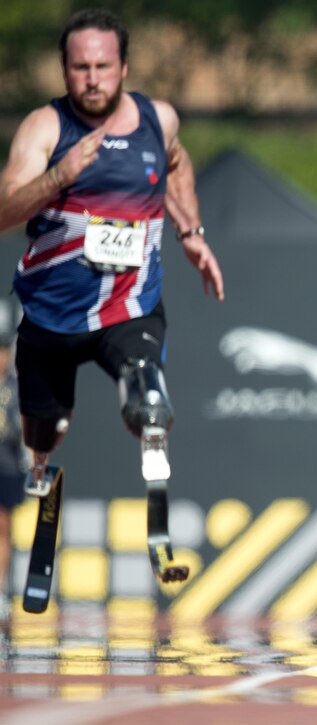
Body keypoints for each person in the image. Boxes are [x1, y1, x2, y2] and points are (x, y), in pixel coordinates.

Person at [0, 9, 224, 577]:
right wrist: (59, 176)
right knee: (45, 431)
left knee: (148, 393)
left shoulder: (157, 119)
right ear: (65, 70)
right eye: (80, 68)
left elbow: (174, 165)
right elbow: (5, 210)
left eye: (103, 66)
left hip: (129, 305)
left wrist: (191, 234)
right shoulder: (45, 129)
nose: (92, 79)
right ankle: (44, 472)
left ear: (123, 66)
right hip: (51, 314)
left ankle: (156, 493)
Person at [0, 336, 26, 620]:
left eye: (4, 353)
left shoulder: (17, 388)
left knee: (3, 526)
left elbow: (27, 430)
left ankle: (0, 592)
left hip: (6, 464)